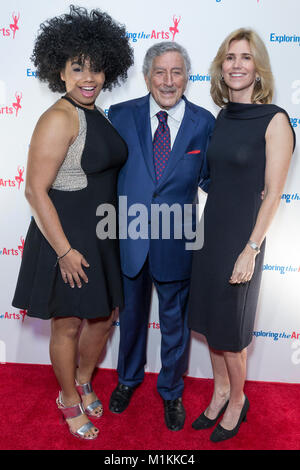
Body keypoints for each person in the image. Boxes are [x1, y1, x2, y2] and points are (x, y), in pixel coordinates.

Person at [12, 5, 133, 440]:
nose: (89, 77)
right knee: (67, 324)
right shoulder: (59, 117)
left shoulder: (96, 112)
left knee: (102, 319)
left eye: (97, 69)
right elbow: (34, 190)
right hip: (66, 236)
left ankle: (83, 379)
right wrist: (64, 250)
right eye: (78, 67)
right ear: (59, 72)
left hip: (100, 234)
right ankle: (67, 398)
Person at [188, 28, 295, 443]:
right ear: (221, 66)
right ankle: (219, 393)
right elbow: (213, 178)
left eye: (245, 57)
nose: (236, 64)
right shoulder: (222, 116)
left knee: (232, 330)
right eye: (230, 57)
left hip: (243, 238)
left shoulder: (275, 120)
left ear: (258, 68)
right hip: (211, 232)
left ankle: (238, 401)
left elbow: (273, 194)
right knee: (212, 323)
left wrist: (251, 249)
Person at [108, 42, 215, 431]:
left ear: (188, 77)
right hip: (130, 238)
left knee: (175, 325)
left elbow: (211, 179)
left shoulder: (204, 122)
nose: (168, 81)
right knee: (132, 319)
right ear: (147, 75)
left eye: (176, 72)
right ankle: (127, 380)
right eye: (160, 72)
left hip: (178, 243)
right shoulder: (119, 115)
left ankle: (171, 392)